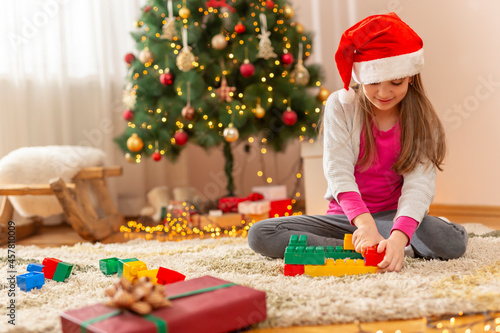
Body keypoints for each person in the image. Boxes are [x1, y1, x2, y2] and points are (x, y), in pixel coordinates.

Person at [248, 12, 468, 272]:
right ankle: (360, 245)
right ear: (360, 76)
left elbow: (419, 185)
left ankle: (389, 243)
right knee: (261, 234)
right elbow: (338, 172)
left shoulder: (422, 120)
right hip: (347, 219)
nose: (384, 93)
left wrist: (398, 237)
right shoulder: (341, 107)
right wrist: (364, 226)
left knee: (452, 241)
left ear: (410, 75)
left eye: (396, 82)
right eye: (373, 82)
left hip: (392, 218)